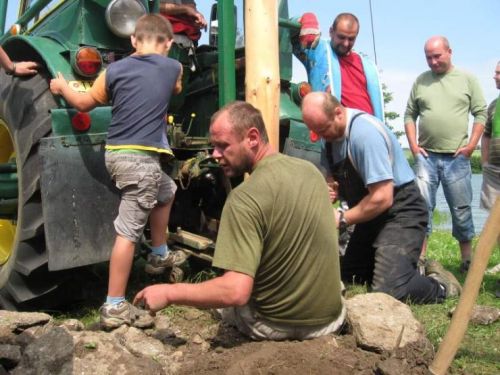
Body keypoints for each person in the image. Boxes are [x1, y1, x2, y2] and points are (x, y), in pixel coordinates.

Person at [134, 101, 346, 341]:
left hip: (275, 326)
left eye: (223, 146)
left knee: (226, 305)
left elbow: (235, 291)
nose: (215, 155)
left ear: (252, 138)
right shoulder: (312, 173)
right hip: (331, 320)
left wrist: (169, 293)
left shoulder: (244, 198)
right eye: (213, 147)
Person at [50, 14, 186, 330]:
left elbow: (83, 104)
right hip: (141, 161)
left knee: (167, 191)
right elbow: (177, 88)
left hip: (116, 156)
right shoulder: (172, 67)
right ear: (168, 43)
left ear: (133, 41)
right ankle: (114, 306)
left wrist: (60, 86)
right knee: (127, 232)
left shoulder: (113, 72)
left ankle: (159, 252)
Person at [302, 92, 462, 304]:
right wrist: (330, 187)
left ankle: (441, 285)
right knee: (347, 277)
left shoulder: (365, 135)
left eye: (322, 129)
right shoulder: (329, 139)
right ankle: (403, 270)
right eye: (315, 131)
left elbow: (382, 198)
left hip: (402, 212)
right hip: (371, 217)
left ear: (338, 113)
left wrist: (342, 218)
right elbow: (333, 178)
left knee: (389, 290)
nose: (321, 136)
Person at [404, 36, 487, 273]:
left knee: (461, 209)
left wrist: (471, 146)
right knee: (422, 208)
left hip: (457, 158)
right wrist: (412, 145)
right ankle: (420, 259)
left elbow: (480, 113)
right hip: (426, 157)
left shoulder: (467, 79)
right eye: (428, 57)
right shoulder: (421, 81)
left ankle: (467, 260)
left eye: (437, 56)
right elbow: (409, 114)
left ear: (449, 52)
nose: (432, 61)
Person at [293, 12, 384, 122]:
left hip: (371, 126)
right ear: (331, 31)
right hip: (336, 129)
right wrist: (307, 19)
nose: (346, 43)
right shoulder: (317, 49)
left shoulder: (367, 64)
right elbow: (285, 33)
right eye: (341, 37)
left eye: (351, 39)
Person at [480, 61, 500, 211]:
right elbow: (486, 135)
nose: (495, 77)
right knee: (493, 218)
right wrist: (485, 162)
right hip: (493, 171)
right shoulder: (493, 104)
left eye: (498, 73)